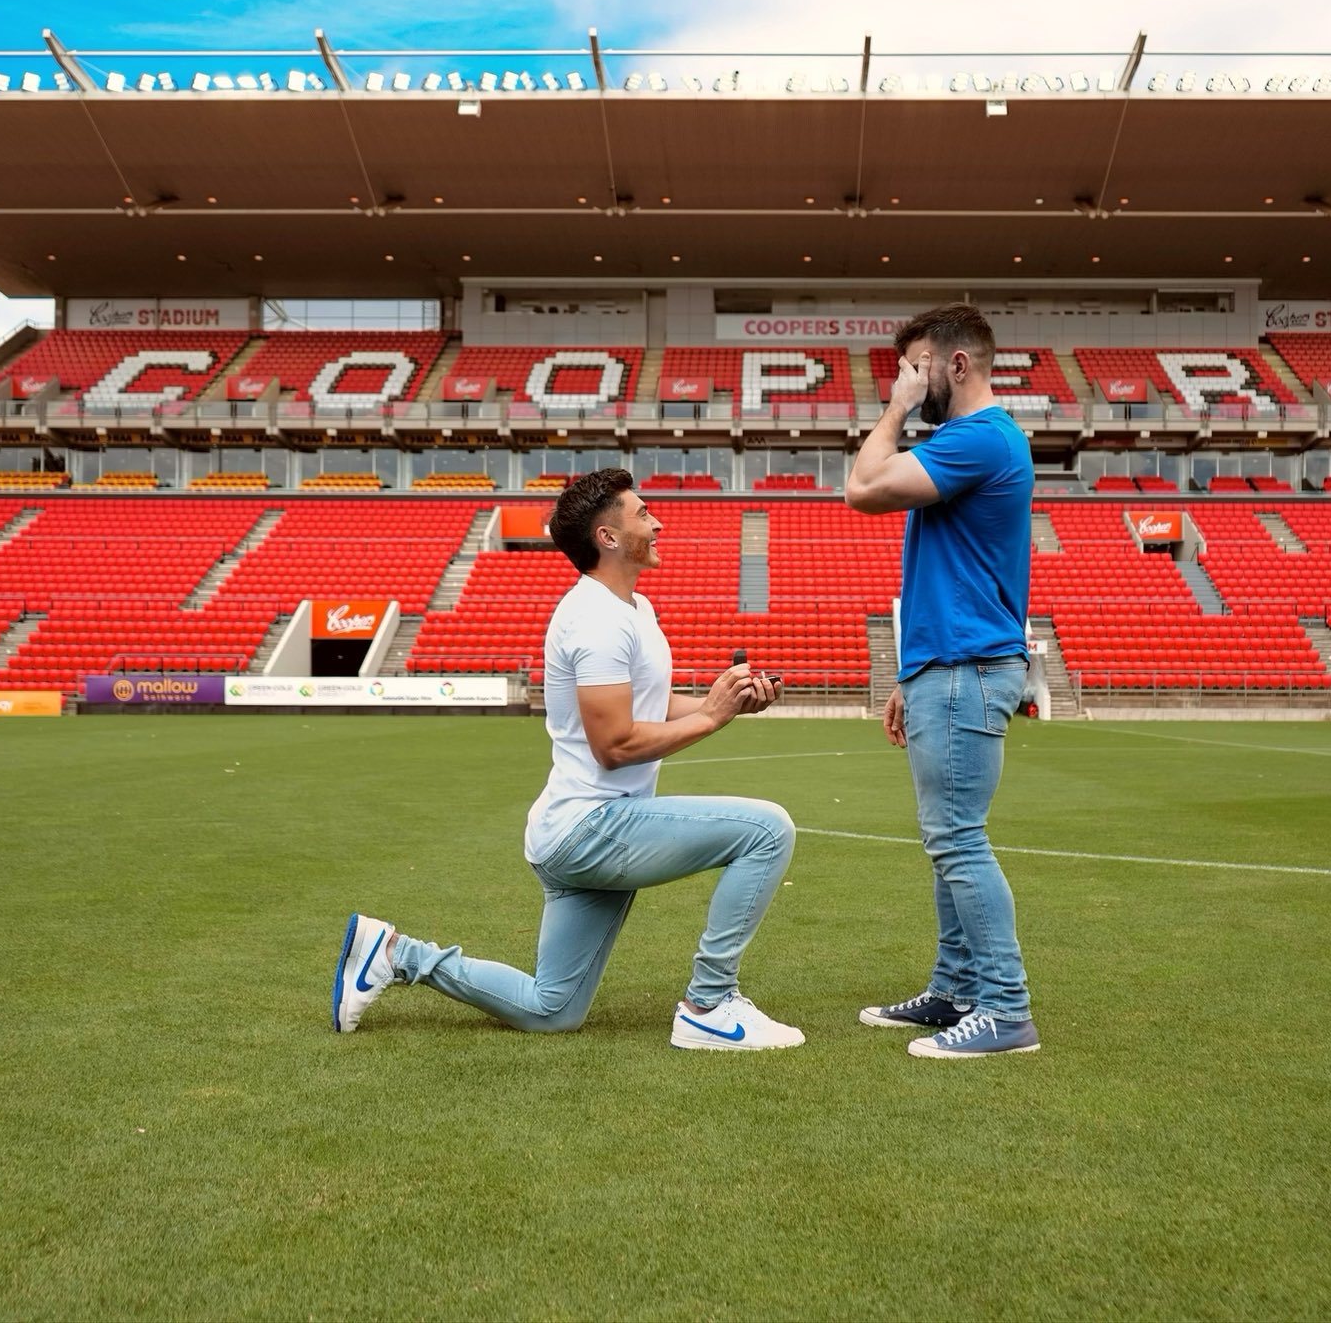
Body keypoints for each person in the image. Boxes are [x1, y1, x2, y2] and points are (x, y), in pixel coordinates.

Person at [332, 467, 804, 1051]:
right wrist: (710, 718)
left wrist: (722, 702)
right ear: (607, 538)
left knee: (551, 1009)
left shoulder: (633, 610)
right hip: (592, 827)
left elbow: (650, 706)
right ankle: (709, 1004)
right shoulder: (596, 619)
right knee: (767, 830)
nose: (657, 522)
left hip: (577, 831)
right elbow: (616, 746)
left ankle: (397, 955)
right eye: (642, 514)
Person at [845, 303, 1040, 1059]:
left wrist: (893, 409)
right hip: (946, 664)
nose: (906, 380)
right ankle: (958, 988)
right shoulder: (974, 441)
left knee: (957, 838)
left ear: (957, 365)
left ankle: (1005, 1007)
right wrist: (909, 674)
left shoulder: (978, 439)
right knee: (947, 839)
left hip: (965, 667)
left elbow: (861, 489)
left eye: (916, 365)